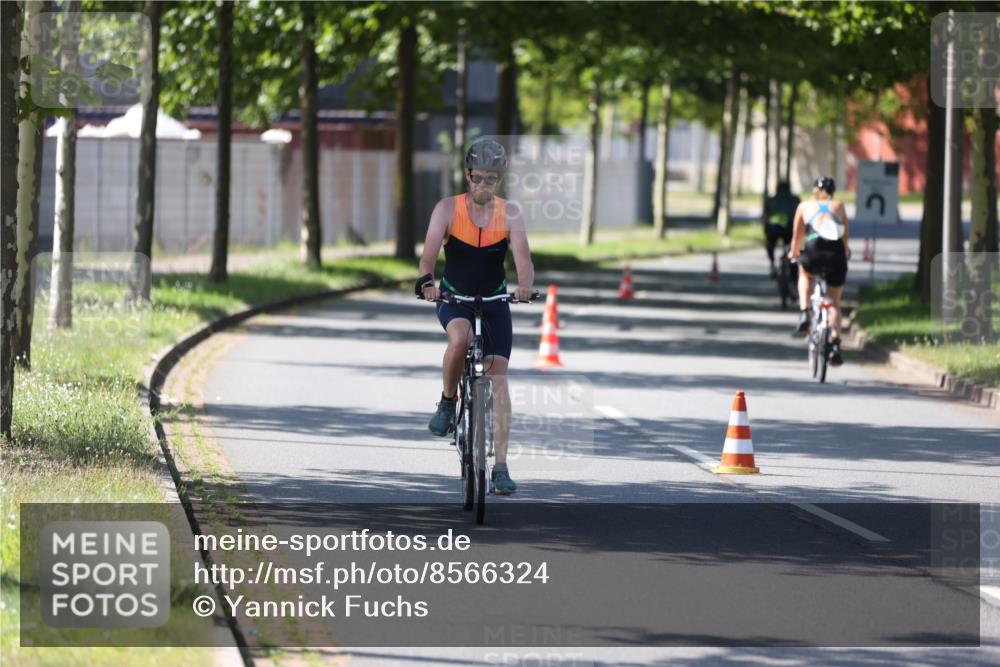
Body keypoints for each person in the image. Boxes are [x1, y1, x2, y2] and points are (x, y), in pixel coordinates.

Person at [415, 138, 535, 495]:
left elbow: (524, 262)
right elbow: (428, 257)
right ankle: (448, 401)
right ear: (468, 175)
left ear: (499, 181)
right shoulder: (447, 209)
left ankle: (500, 467)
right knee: (460, 338)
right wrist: (427, 283)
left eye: (491, 179)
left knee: (498, 380)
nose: (484, 185)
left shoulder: (509, 213)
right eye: (478, 177)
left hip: (496, 300)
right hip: (454, 296)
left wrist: (525, 286)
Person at [789, 176, 850, 366]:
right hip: (836, 254)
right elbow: (845, 236)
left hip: (813, 249)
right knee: (833, 302)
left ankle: (805, 311)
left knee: (805, 274)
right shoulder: (839, 206)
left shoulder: (804, 206)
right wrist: (846, 253)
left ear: (814, 190)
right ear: (832, 192)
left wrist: (794, 253)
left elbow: (797, 236)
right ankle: (835, 343)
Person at [763, 181, 801, 278]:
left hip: (773, 228)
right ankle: (791, 266)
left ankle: (772, 263)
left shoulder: (771, 200)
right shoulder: (795, 200)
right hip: (789, 228)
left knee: (770, 244)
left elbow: (765, 217)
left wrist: (765, 230)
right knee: (791, 247)